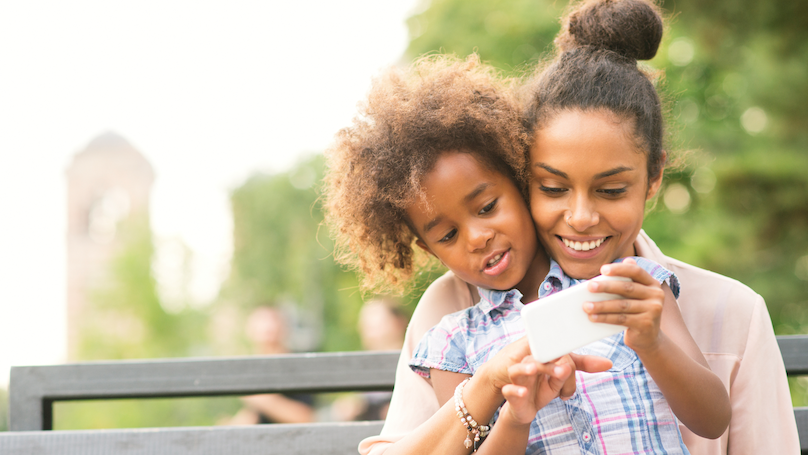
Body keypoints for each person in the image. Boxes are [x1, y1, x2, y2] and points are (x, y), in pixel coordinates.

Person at [358, 0, 800, 454]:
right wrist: (504, 403)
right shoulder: (452, 327)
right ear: (525, 176)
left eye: (610, 190)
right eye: (553, 187)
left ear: (653, 178)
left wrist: (652, 342)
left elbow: (713, 418)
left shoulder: (651, 292)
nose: (582, 216)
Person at [324, 52, 616, 453]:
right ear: (429, 250)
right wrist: (493, 391)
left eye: (487, 207)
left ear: (519, 179)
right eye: (447, 236)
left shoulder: (608, 267)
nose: (477, 238)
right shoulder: (451, 333)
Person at [224, 306, 315, 425]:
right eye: (262, 321)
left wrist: (259, 399)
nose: (268, 326)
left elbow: (308, 418)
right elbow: (257, 415)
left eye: (272, 320)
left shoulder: (296, 365)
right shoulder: (254, 371)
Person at [333, 297, 410, 421]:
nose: (367, 330)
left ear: (398, 322)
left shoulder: (411, 360)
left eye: (375, 323)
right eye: (365, 324)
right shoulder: (363, 365)